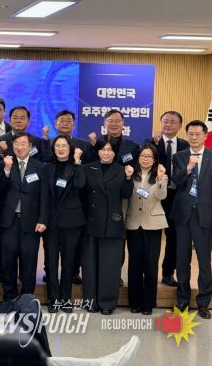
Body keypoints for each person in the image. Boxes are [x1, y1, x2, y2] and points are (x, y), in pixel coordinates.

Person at [81, 135, 133, 315]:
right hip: (90, 223)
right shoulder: (88, 168)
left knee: (110, 266)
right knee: (89, 266)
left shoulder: (121, 170)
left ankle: (107, 303)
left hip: (113, 223)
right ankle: (90, 302)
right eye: (103, 149)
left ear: (115, 153)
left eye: (110, 150)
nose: (106, 153)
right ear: (97, 151)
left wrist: (128, 178)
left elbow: (126, 194)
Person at [0, 132, 49, 303]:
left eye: (23, 144)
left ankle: (27, 299)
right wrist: (6, 170)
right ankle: (9, 298)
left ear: (30, 146)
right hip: (9, 221)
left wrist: (42, 219)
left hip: (31, 221)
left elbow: (44, 196)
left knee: (29, 261)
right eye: (16, 144)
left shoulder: (40, 167)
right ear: (12, 146)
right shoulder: (5, 164)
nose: (20, 147)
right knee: (8, 261)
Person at [171, 120, 212, 319]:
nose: (194, 137)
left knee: (204, 261)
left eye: (198, 134)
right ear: (186, 135)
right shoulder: (179, 156)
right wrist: (188, 168)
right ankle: (183, 300)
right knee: (182, 260)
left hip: (205, 215)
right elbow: (175, 181)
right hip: (183, 215)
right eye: (190, 134)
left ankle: (204, 302)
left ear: (205, 135)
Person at [145, 111, 188, 287]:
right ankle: (148, 273)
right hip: (155, 195)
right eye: (165, 121)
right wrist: (155, 143)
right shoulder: (151, 142)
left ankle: (168, 272)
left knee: (174, 236)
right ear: (161, 123)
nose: (168, 125)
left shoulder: (185, 145)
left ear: (180, 125)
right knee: (151, 236)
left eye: (172, 122)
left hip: (176, 197)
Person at [44, 135, 85, 312]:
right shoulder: (47, 167)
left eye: (64, 146)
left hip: (71, 222)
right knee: (51, 262)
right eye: (57, 146)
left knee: (68, 263)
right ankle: (53, 299)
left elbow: (81, 184)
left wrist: (77, 162)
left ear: (70, 149)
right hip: (51, 223)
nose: (60, 149)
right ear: (53, 149)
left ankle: (66, 298)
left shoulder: (76, 167)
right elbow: (44, 196)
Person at [125, 144, 168, 315]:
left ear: (155, 159)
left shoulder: (161, 175)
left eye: (149, 156)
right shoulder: (130, 173)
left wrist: (160, 179)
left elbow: (162, 196)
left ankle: (148, 303)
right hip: (134, 223)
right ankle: (134, 302)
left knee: (151, 265)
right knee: (134, 264)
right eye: (143, 155)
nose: (146, 159)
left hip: (153, 224)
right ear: (138, 157)